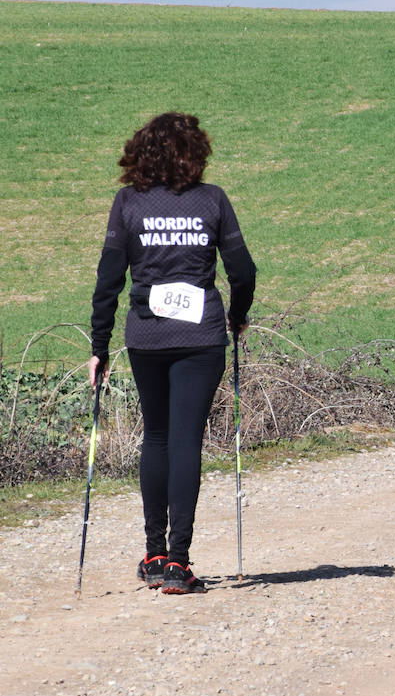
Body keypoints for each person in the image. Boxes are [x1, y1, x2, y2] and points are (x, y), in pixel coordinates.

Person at [87, 112, 257, 595]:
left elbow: (108, 280)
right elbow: (243, 270)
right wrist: (238, 314)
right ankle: (180, 563)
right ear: (195, 152)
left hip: (147, 336)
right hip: (201, 338)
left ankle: (154, 554)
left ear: (141, 152)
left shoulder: (129, 203)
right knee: (186, 440)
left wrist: (99, 346)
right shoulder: (212, 200)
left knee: (157, 437)